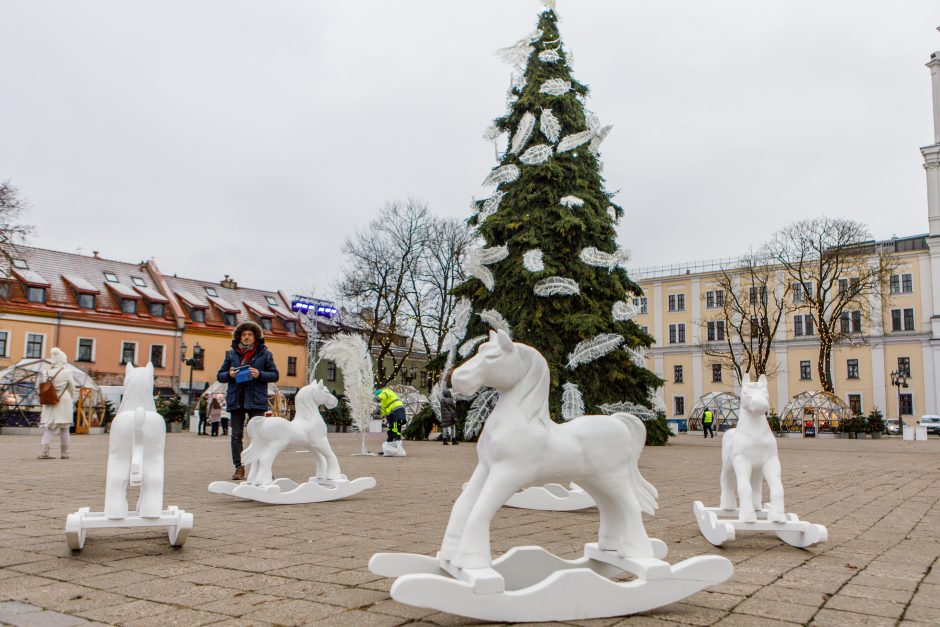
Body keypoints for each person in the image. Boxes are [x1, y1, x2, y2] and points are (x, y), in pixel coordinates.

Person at [217, 321, 279, 480]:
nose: (246, 337)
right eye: (244, 335)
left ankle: (263, 469)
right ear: (239, 337)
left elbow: (275, 375)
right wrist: (228, 375)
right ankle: (239, 468)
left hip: (256, 399)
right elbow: (220, 375)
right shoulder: (231, 354)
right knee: (236, 435)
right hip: (236, 398)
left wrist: (260, 374)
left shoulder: (265, 354)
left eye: (249, 334)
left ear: (255, 336)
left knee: (259, 436)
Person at [37, 348, 75, 460]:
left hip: (49, 400)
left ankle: (44, 452)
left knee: (50, 428)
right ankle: (64, 453)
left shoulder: (45, 372)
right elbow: (72, 388)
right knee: (64, 428)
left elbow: (41, 386)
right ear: (63, 360)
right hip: (64, 401)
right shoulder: (67, 372)